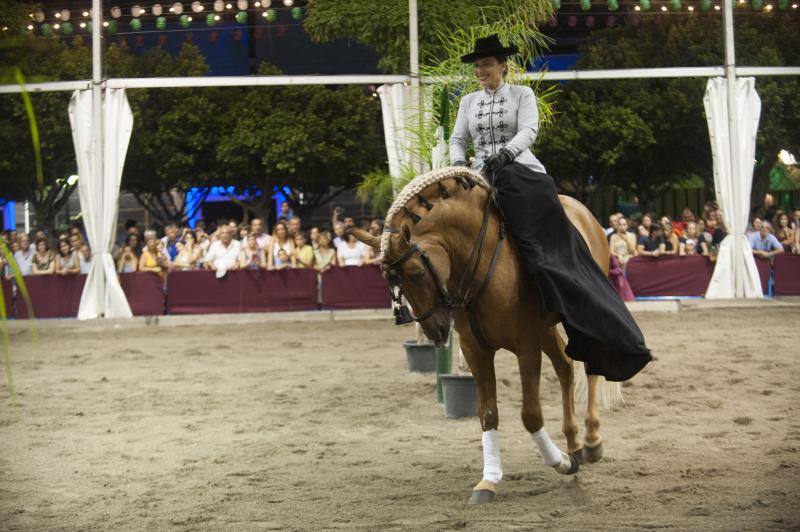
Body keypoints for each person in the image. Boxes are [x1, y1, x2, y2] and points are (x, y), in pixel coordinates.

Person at [449, 34, 650, 380]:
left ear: (503, 66)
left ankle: (549, 280)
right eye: (477, 65)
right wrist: (458, 165)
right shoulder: (468, 102)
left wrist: (506, 154)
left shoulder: (522, 94)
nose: (480, 70)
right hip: (480, 173)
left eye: (486, 64)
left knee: (531, 231)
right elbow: (458, 138)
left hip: (519, 169)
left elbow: (529, 129)